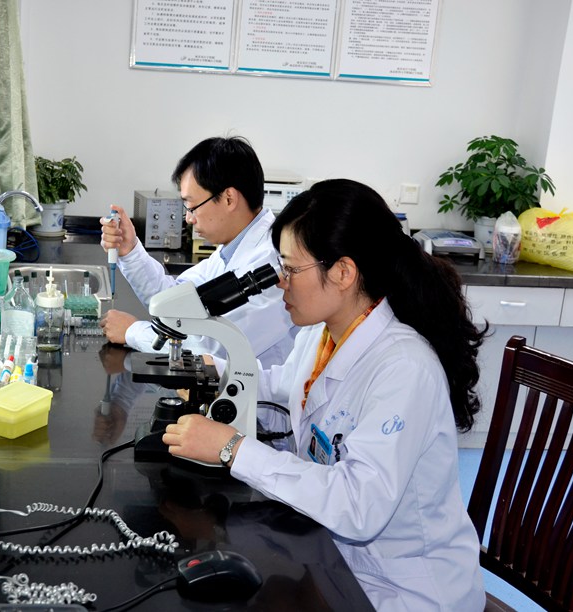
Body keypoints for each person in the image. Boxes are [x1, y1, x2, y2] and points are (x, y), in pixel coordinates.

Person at [161, 179, 487, 610]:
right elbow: (285, 386)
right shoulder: (323, 334)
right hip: (336, 559)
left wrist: (233, 449)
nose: (281, 283)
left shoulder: (404, 369)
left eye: (291, 270)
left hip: (405, 589)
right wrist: (215, 369)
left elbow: (358, 505)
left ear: (343, 272)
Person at [99, 136, 298, 368]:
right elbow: (175, 301)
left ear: (229, 198)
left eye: (192, 206)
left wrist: (133, 332)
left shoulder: (274, 262)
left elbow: (215, 349)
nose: (188, 218)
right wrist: (130, 250)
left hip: (256, 390)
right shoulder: (231, 249)